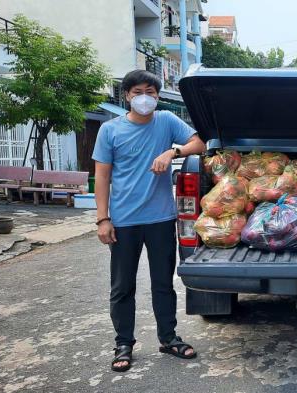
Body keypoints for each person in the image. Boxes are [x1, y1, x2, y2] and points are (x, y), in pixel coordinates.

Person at [93, 70, 206, 372]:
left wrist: (173, 151)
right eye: (138, 92)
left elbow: (200, 144)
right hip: (124, 220)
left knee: (163, 284)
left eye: (151, 93)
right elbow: (102, 177)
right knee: (122, 286)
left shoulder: (167, 121)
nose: (145, 98)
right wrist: (103, 219)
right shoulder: (110, 131)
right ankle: (123, 344)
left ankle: (169, 338)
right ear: (127, 95)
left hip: (160, 218)